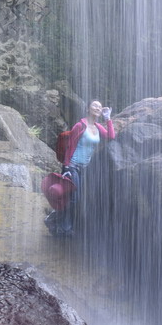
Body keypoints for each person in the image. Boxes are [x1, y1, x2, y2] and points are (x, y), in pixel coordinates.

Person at [48, 100, 115, 237]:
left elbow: (111, 136)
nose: (98, 107)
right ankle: (65, 227)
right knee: (74, 199)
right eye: (94, 105)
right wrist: (66, 167)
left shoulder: (97, 127)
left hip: (83, 168)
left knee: (72, 198)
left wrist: (108, 119)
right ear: (88, 108)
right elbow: (70, 146)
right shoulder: (80, 125)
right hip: (72, 166)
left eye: (100, 106)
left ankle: (54, 219)